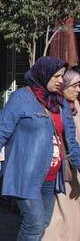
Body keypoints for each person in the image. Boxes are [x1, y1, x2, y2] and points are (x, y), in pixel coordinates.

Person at [0, 56, 80, 240]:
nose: (61, 81)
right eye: (57, 76)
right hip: (25, 174)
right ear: (44, 74)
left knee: (42, 224)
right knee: (34, 225)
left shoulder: (61, 103)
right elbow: (1, 131)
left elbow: (71, 143)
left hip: (51, 177)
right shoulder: (21, 97)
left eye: (63, 76)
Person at [44, 69, 80, 240]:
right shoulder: (55, 109)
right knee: (60, 212)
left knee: (72, 214)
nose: (78, 90)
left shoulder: (76, 107)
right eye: (75, 86)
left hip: (75, 168)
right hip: (61, 167)